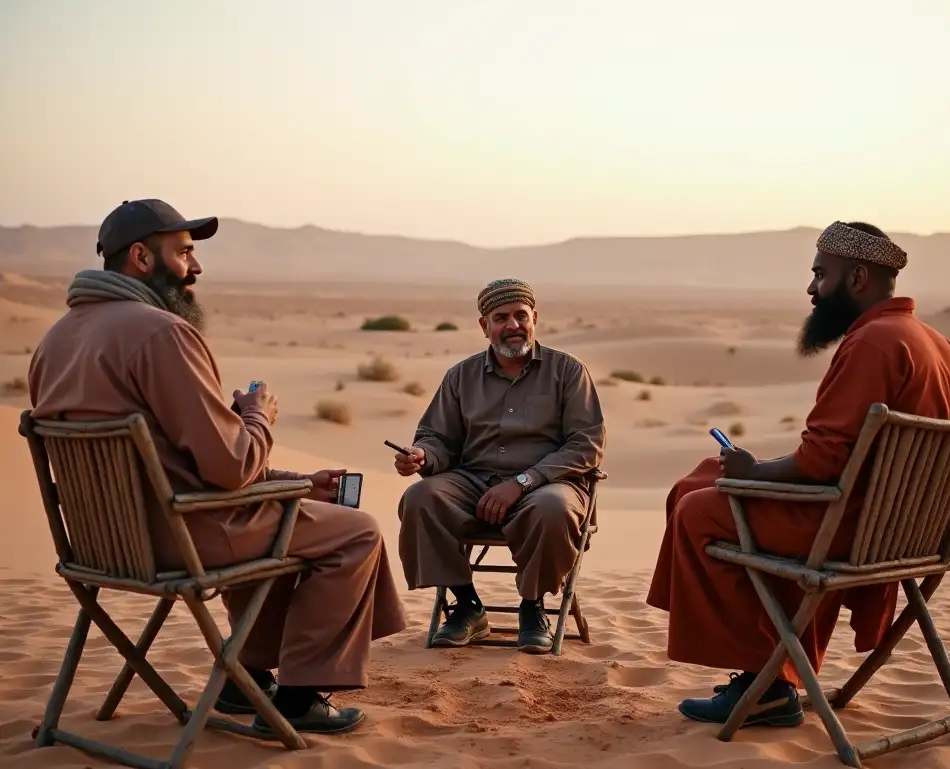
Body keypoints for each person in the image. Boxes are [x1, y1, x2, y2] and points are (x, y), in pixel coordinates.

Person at [28, 199, 406, 736]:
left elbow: (171, 464)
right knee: (357, 534)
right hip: (183, 536)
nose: (197, 267)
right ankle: (299, 698)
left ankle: (241, 681)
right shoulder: (162, 334)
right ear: (140, 257)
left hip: (103, 544)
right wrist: (257, 416)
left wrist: (293, 483)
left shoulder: (55, 340)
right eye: (184, 253)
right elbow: (229, 470)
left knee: (286, 518)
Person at [647, 221, 950, 727]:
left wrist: (755, 469)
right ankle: (774, 672)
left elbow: (822, 462)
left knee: (698, 510)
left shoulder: (874, 344)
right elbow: (843, 454)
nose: (812, 289)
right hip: (901, 529)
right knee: (702, 476)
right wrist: (754, 471)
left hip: (850, 529)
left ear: (857, 277)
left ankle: (767, 680)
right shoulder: (932, 341)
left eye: (821, 275)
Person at [392, 278, 606, 653]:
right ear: (484, 325)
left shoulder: (568, 372)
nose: (513, 325)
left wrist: (524, 481)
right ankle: (467, 607)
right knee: (420, 498)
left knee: (553, 508)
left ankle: (533, 607)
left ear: (535, 318)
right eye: (501, 317)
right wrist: (423, 456)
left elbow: (587, 443)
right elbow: (437, 437)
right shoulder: (461, 376)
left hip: (547, 483)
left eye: (521, 316)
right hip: (473, 480)